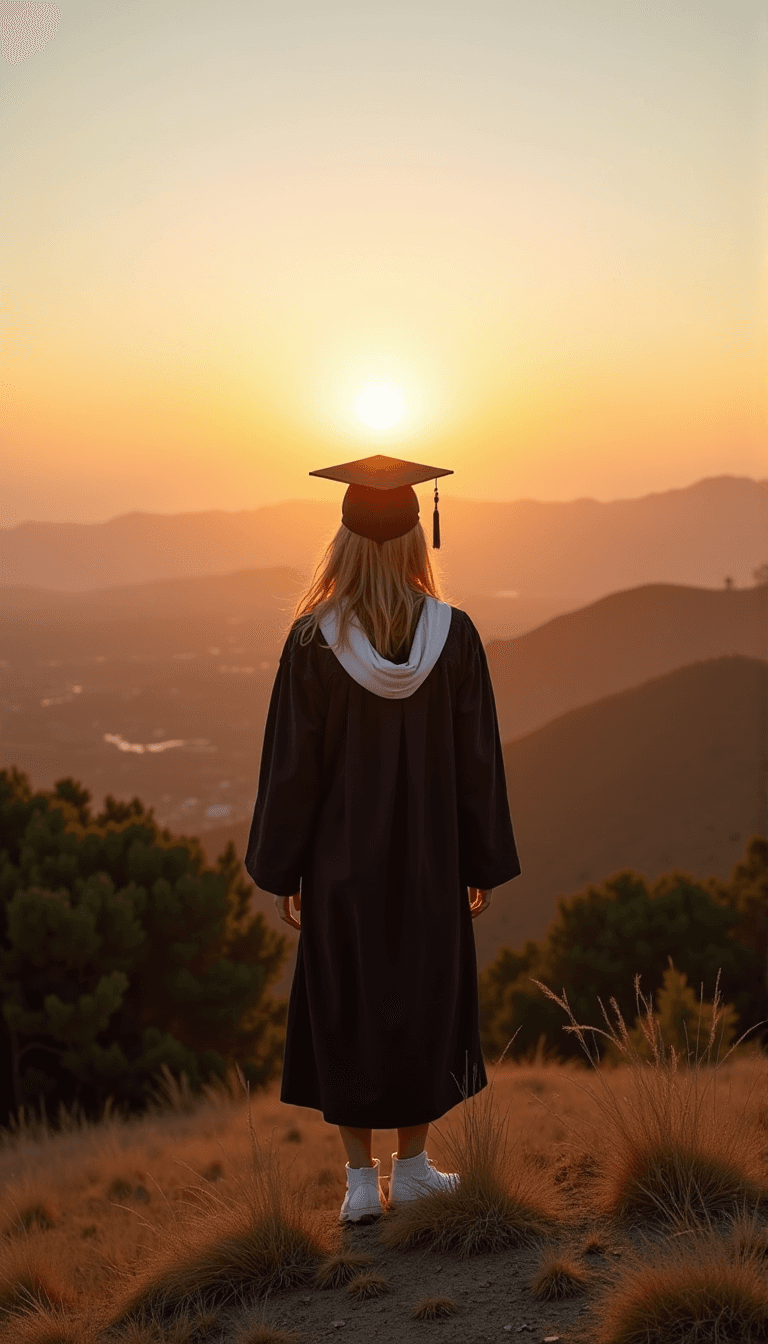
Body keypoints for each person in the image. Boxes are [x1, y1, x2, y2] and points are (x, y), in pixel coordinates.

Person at [245, 452, 520, 1224]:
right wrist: (478, 860)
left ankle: (360, 1185)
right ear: (414, 541)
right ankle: (418, 1166)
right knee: (422, 996)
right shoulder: (453, 636)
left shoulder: (312, 644)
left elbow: (291, 769)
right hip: (431, 863)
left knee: (349, 1003)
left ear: (342, 544)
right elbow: (478, 762)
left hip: (340, 869)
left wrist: (286, 868)